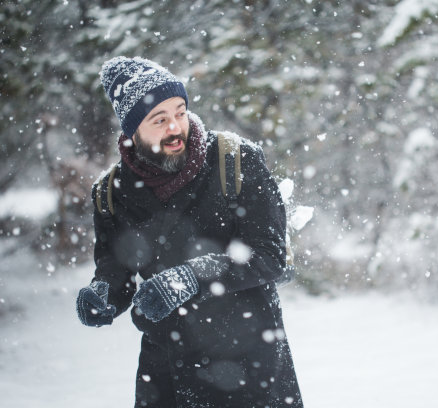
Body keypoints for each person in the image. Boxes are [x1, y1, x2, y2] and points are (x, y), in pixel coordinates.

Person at [76, 56, 303, 408]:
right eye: (160, 119)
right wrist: (102, 294)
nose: (175, 128)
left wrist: (191, 276)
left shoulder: (235, 161)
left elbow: (270, 256)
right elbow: (117, 267)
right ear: (132, 130)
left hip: (248, 365)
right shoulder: (111, 192)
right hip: (165, 371)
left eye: (180, 112)